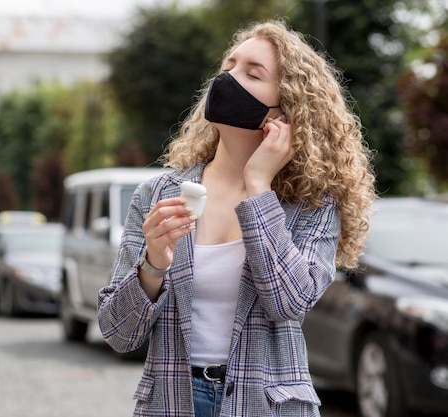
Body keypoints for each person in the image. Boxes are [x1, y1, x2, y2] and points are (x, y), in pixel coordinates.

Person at [98, 19, 376, 417]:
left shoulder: (313, 205)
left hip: (268, 406)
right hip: (171, 403)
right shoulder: (157, 194)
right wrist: (153, 264)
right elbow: (118, 333)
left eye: (252, 73)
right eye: (227, 66)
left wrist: (259, 185)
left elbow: (290, 302)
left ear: (287, 108)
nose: (227, 78)